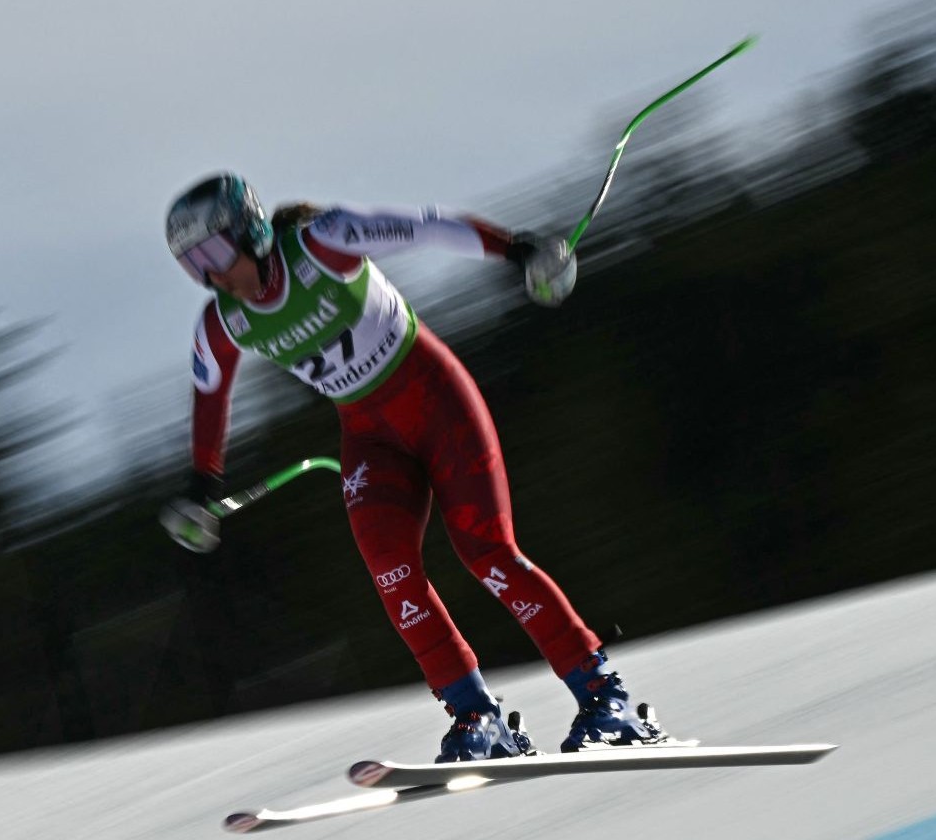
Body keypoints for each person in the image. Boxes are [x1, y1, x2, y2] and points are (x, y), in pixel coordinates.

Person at [157, 171, 669, 760]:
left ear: (250, 231)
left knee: (488, 552)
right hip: (370, 437)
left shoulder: (324, 242)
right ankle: (479, 719)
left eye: (215, 252)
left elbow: (427, 227)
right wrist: (202, 484)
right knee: (392, 573)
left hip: (435, 400)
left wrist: (519, 250)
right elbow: (210, 397)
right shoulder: (223, 322)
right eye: (193, 264)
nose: (213, 274)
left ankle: (608, 700)